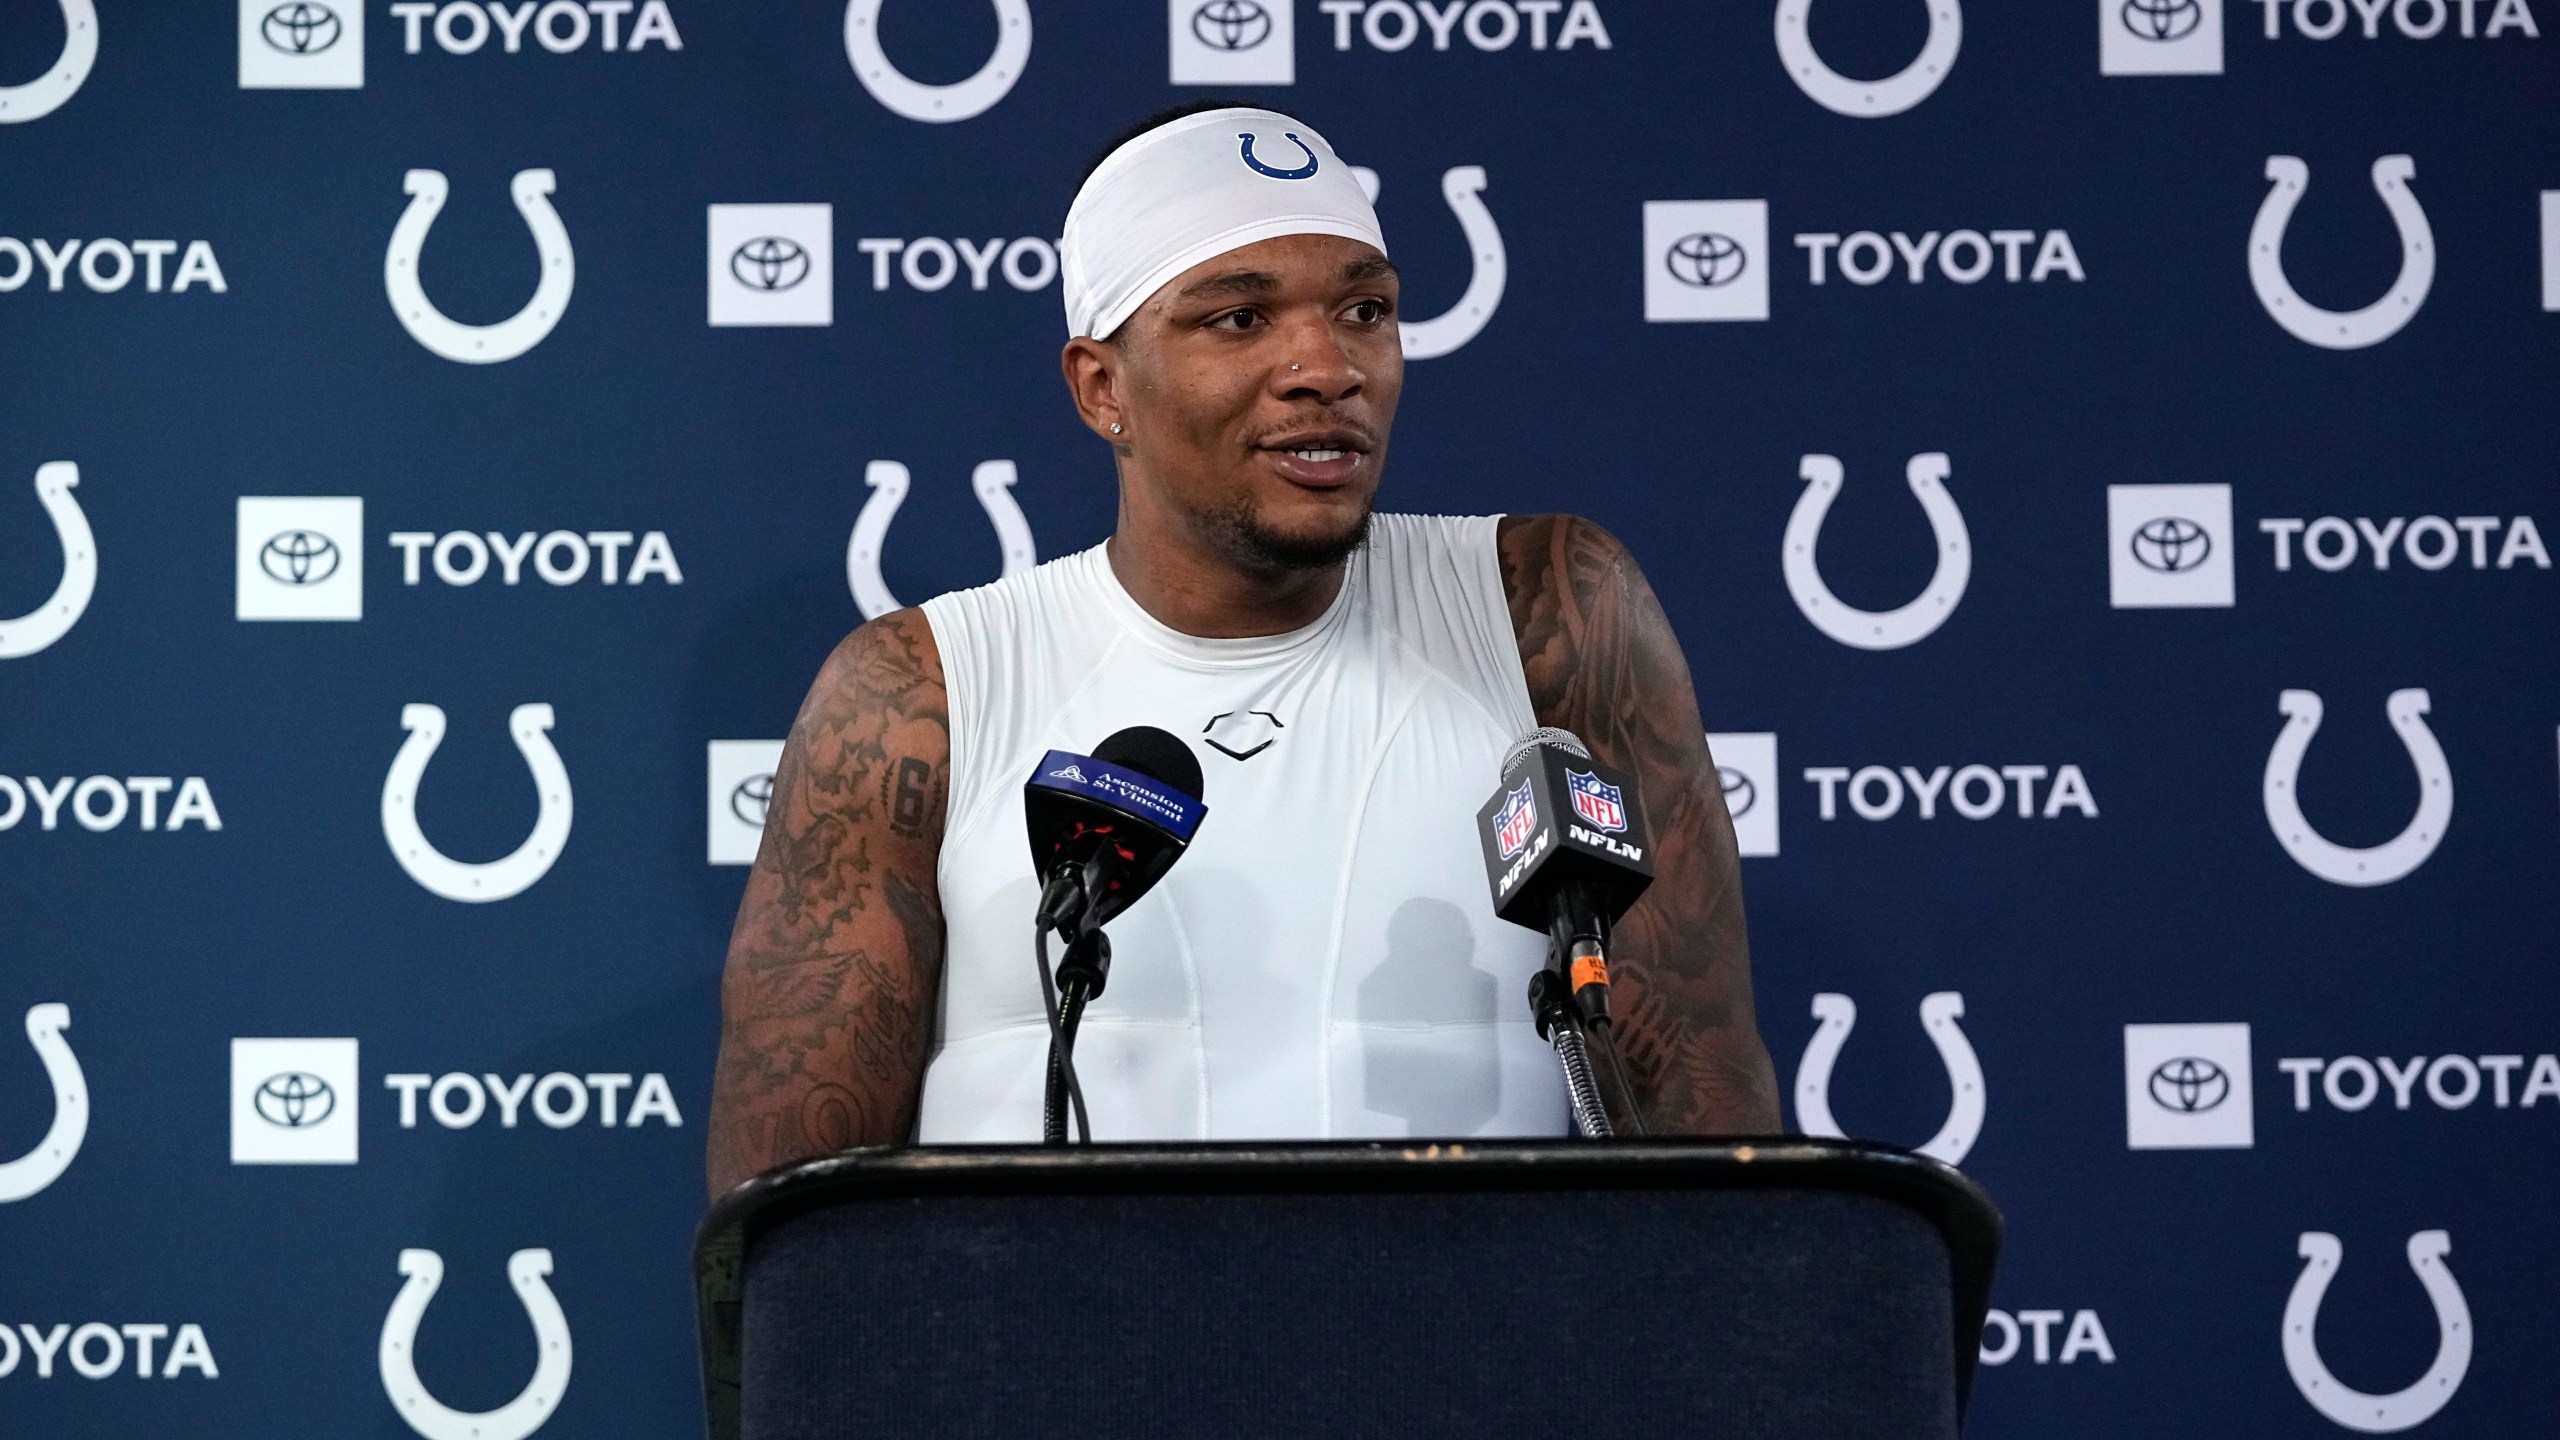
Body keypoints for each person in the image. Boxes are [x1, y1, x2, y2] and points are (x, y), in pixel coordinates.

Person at [706, 104, 1776, 1195]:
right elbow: (791, 1237)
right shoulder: (917, 688)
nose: (1326, 366)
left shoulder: (1548, 607)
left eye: (1364, 309)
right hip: (1054, 1363)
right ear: (1101, 387)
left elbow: (1705, 1117)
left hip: (1497, 1358)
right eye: (1238, 320)